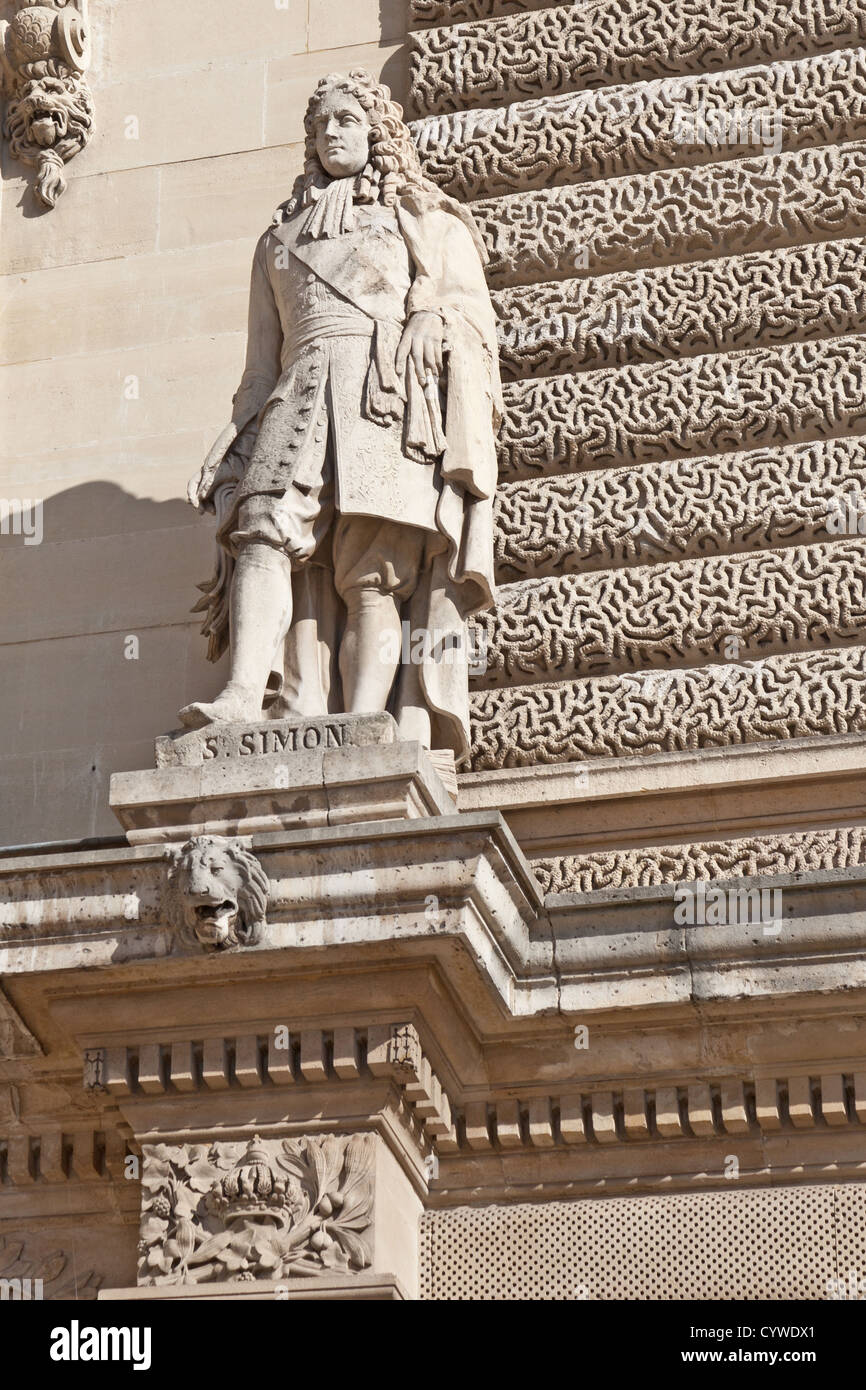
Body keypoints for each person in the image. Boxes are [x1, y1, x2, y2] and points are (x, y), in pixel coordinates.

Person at [181, 69, 501, 766]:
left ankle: (363, 723)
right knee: (262, 532)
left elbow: (469, 315)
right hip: (297, 397)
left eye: (347, 120)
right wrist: (230, 436)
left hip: (383, 400)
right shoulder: (277, 241)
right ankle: (243, 695)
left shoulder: (425, 220)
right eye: (321, 124)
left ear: (377, 133)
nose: (331, 134)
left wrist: (430, 315)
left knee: (373, 574)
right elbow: (259, 365)